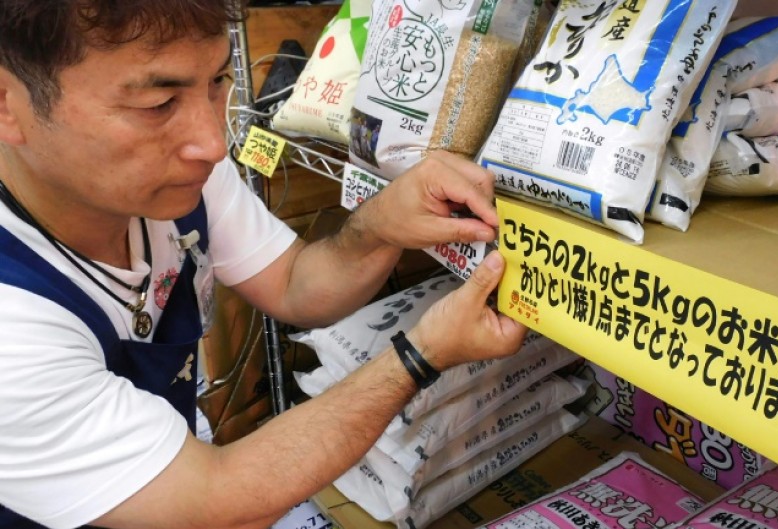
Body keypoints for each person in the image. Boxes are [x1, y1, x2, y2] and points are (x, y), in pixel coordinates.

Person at [0, 2, 528, 528]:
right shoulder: (13, 323)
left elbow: (295, 286)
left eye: (216, 81)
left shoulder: (182, 178)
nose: (210, 143)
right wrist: (421, 354)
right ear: (7, 103)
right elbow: (212, 500)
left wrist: (382, 224)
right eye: (158, 103)